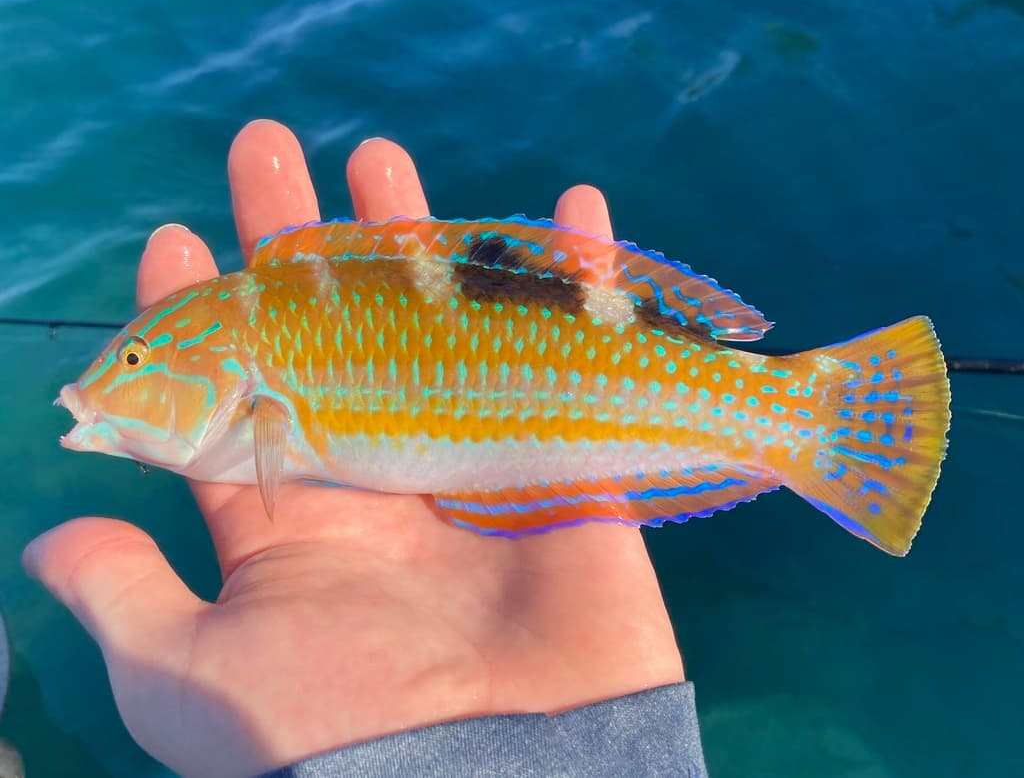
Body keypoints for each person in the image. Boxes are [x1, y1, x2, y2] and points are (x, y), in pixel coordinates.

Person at [23, 120, 709, 778]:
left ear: (231, 374)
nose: (107, 381)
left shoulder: (259, 402)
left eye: (135, 358)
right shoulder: (249, 379)